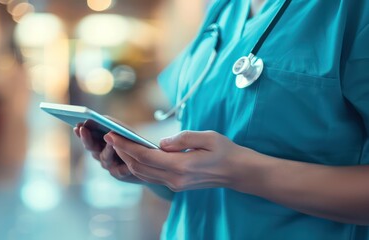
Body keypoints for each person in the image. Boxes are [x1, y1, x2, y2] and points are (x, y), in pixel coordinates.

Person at [75, 0, 369, 239]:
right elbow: (206, 169)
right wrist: (151, 166)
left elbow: (228, 168)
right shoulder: (222, 10)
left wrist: (244, 172)